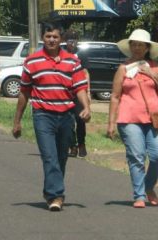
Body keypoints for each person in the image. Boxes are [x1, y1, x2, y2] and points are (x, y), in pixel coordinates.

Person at [12, 22, 91, 211]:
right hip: (42, 115)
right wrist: (17, 121)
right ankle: (56, 195)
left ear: (61, 39)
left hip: (65, 115)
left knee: (62, 156)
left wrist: (87, 107)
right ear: (42, 37)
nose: (52, 40)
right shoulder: (32, 61)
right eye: (48, 37)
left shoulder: (72, 61)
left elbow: (80, 87)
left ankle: (51, 192)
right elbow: (24, 92)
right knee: (49, 156)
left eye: (55, 36)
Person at [107, 29, 158, 208]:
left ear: (147, 48)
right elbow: (115, 96)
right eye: (134, 44)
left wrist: (150, 73)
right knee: (136, 156)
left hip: (153, 118)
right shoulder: (123, 68)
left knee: (156, 155)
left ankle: (148, 186)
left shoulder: (154, 67)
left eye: (141, 45)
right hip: (129, 118)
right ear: (130, 47)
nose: (137, 48)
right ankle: (139, 195)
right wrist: (111, 122)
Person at [64, 30, 91, 158]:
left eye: (74, 40)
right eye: (70, 40)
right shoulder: (61, 53)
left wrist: (88, 91)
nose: (72, 43)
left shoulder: (81, 54)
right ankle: (72, 146)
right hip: (65, 92)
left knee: (81, 119)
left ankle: (82, 144)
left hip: (79, 92)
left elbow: (86, 73)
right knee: (68, 122)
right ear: (66, 41)